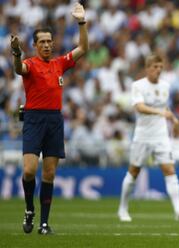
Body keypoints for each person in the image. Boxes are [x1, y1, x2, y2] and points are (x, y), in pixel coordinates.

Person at [10, 3, 88, 235]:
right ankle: (28, 209)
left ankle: (44, 224)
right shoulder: (30, 65)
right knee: (29, 170)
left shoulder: (59, 64)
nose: (46, 44)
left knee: (50, 173)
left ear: (52, 43)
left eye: (48, 41)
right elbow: (18, 68)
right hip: (34, 119)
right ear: (34, 45)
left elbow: (84, 47)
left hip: (54, 120)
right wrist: (16, 52)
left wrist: (81, 22)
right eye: (41, 41)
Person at [117, 54, 179, 222]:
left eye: (160, 67)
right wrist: (162, 113)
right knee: (134, 171)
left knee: (170, 170)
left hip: (161, 135)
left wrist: (173, 118)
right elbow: (139, 107)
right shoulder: (138, 86)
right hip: (142, 135)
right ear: (147, 68)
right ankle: (123, 208)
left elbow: (164, 107)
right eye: (155, 67)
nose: (158, 70)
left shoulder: (165, 86)